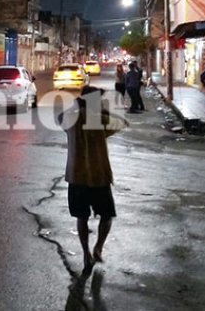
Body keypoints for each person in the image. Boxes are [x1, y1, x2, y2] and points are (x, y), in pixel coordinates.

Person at [59, 86, 128, 271]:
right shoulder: (101, 119)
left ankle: (85, 253)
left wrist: (76, 105)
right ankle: (98, 247)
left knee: (81, 217)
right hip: (99, 176)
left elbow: (60, 119)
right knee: (106, 215)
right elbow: (121, 122)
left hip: (76, 175)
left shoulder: (71, 117)